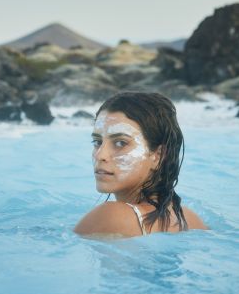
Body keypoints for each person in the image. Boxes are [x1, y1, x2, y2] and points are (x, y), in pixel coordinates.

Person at [74, 91, 209, 238]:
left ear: (159, 155)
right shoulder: (191, 220)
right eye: (97, 142)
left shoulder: (109, 216)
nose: (100, 155)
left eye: (120, 143)